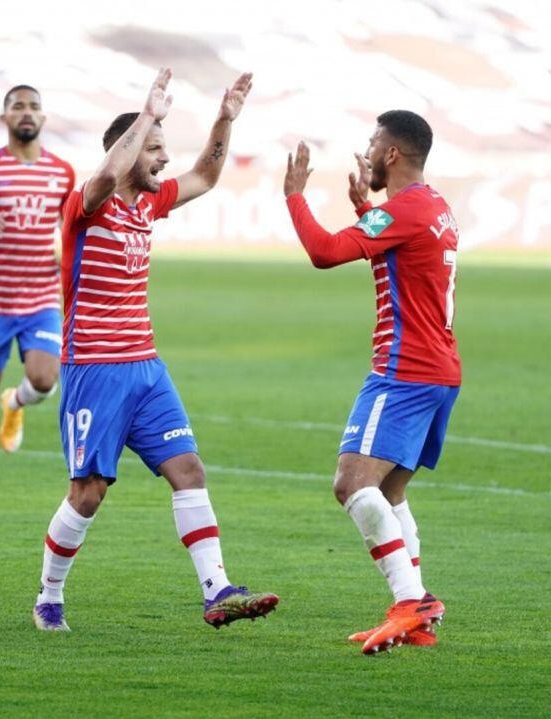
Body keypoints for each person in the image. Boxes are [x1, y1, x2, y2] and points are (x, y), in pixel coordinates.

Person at [31, 68, 278, 633]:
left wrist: (224, 119)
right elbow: (106, 173)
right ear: (133, 149)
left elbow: (207, 176)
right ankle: (49, 596)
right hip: (94, 370)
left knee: (189, 470)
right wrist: (149, 116)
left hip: (146, 368)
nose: (165, 159)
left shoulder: (150, 204)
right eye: (156, 150)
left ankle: (217, 592)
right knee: (88, 494)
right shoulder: (85, 206)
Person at [283, 111, 459, 655]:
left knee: (351, 482)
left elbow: (325, 252)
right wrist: (365, 207)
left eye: (372, 142)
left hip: (402, 371)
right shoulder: (434, 207)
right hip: (438, 372)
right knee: (390, 491)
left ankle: (412, 600)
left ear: (390, 154)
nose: (365, 150)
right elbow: (398, 258)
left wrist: (294, 196)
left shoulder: (404, 210)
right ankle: (416, 615)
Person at [0, 84, 75, 501]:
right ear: (4, 117)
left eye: (34, 106)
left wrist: (67, 255)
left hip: (41, 298)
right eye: (17, 106)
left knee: (45, 381)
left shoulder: (62, 172)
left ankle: (18, 403)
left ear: (43, 118)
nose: (26, 112)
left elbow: (70, 226)